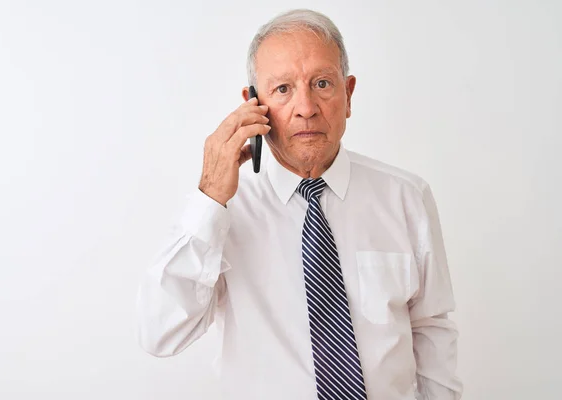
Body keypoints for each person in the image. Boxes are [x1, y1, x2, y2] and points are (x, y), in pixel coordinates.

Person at [136, 8, 463, 400]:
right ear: (253, 104)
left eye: (322, 83)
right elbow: (159, 333)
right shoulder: (223, 211)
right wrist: (209, 199)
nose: (306, 108)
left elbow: (430, 328)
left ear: (348, 94)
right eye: (283, 89)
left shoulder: (406, 196)